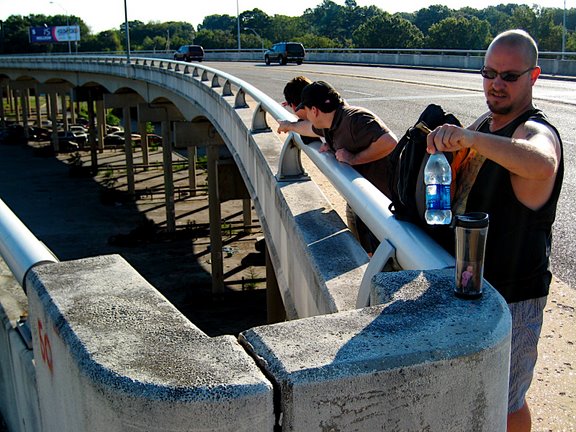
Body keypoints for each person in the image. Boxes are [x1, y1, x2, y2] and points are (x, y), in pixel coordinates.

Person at [426, 29, 563, 432]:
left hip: (514, 297)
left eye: (509, 75)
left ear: (534, 76)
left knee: (506, 399)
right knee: (477, 393)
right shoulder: (488, 122)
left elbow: (543, 163)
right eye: (489, 73)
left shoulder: (533, 131)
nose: (496, 84)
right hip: (472, 284)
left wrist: (470, 138)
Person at [277, 80, 398, 254]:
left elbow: (390, 142)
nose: (307, 116)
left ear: (314, 110)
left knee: (384, 261)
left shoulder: (355, 118)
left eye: (307, 111)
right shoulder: (330, 123)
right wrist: (289, 126)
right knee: (367, 251)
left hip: (386, 204)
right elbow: (308, 128)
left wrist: (354, 158)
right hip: (365, 201)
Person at [281, 76, 317, 144]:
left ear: (295, 107)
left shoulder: (323, 124)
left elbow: (312, 130)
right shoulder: (330, 108)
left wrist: (289, 125)